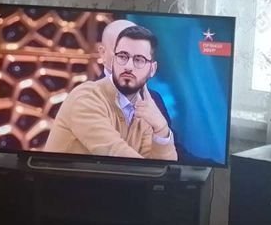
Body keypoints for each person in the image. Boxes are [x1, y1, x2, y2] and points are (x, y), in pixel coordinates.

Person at [43, 25, 176, 159]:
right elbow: (115, 156)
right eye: (123, 57)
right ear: (113, 61)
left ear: (152, 69)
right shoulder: (86, 97)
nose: (128, 66)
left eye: (138, 60)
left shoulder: (145, 110)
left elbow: (158, 167)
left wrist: (162, 129)